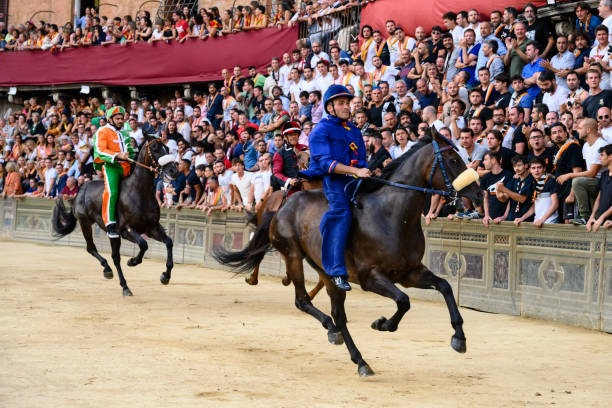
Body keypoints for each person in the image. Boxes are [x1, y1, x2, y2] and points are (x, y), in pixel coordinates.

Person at [301, 85, 371, 291]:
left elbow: (362, 161)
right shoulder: (320, 130)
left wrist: (364, 171)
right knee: (341, 213)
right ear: (329, 107)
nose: (346, 107)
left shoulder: (355, 130)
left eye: (347, 103)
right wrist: (354, 171)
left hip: (357, 179)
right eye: (341, 103)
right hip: (335, 182)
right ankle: (336, 271)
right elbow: (325, 163)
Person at [92, 106, 134, 238]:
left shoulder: (125, 133)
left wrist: (133, 158)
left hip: (127, 166)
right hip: (111, 166)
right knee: (112, 192)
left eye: (122, 118)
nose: (121, 121)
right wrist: (118, 155)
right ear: (110, 119)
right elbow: (100, 150)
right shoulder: (102, 131)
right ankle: (110, 225)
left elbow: (130, 152)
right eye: (118, 118)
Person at [516, 157, 559, 226]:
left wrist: (542, 220)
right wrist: (522, 218)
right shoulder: (534, 183)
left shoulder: (550, 181)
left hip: (550, 222)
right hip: (538, 222)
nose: (536, 170)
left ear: (544, 169)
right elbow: (534, 206)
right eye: (533, 168)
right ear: (530, 170)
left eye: (539, 167)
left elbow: (555, 204)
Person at [271, 121, 308, 194]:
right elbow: (276, 173)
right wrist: (288, 180)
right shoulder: (280, 153)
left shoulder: (306, 148)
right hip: (292, 188)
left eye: (295, 134)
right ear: (285, 137)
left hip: (309, 183)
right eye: (291, 135)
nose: (294, 136)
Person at [481, 151, 513, 226]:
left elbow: (511, 199)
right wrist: (486, 215)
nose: (483, 162)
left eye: (485, 159)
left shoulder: (509, 175)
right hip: (491, 219)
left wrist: (504, 216)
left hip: (507, 220)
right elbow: (485, 198)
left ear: (493, 160)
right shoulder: (485, 178)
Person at [587, 144, 612, 231]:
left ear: (610, 157)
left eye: (602, 155)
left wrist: (602, 217)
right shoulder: (604, 175)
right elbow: (599, 197)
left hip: (609, 222)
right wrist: (592, 216)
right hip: (601, 222)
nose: (599, 158)